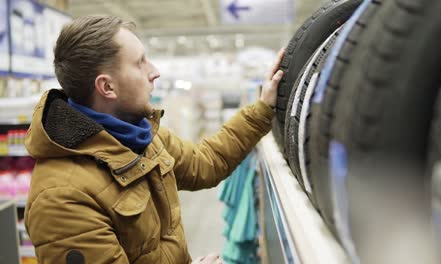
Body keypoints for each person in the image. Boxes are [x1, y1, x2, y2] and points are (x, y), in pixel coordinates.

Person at [24, 15, 284, 264]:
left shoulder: (142, 136)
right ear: (107, 87)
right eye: (140, 63)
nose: (155, 71)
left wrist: (262, 108)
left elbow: (205, 162)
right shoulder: (61, 199)